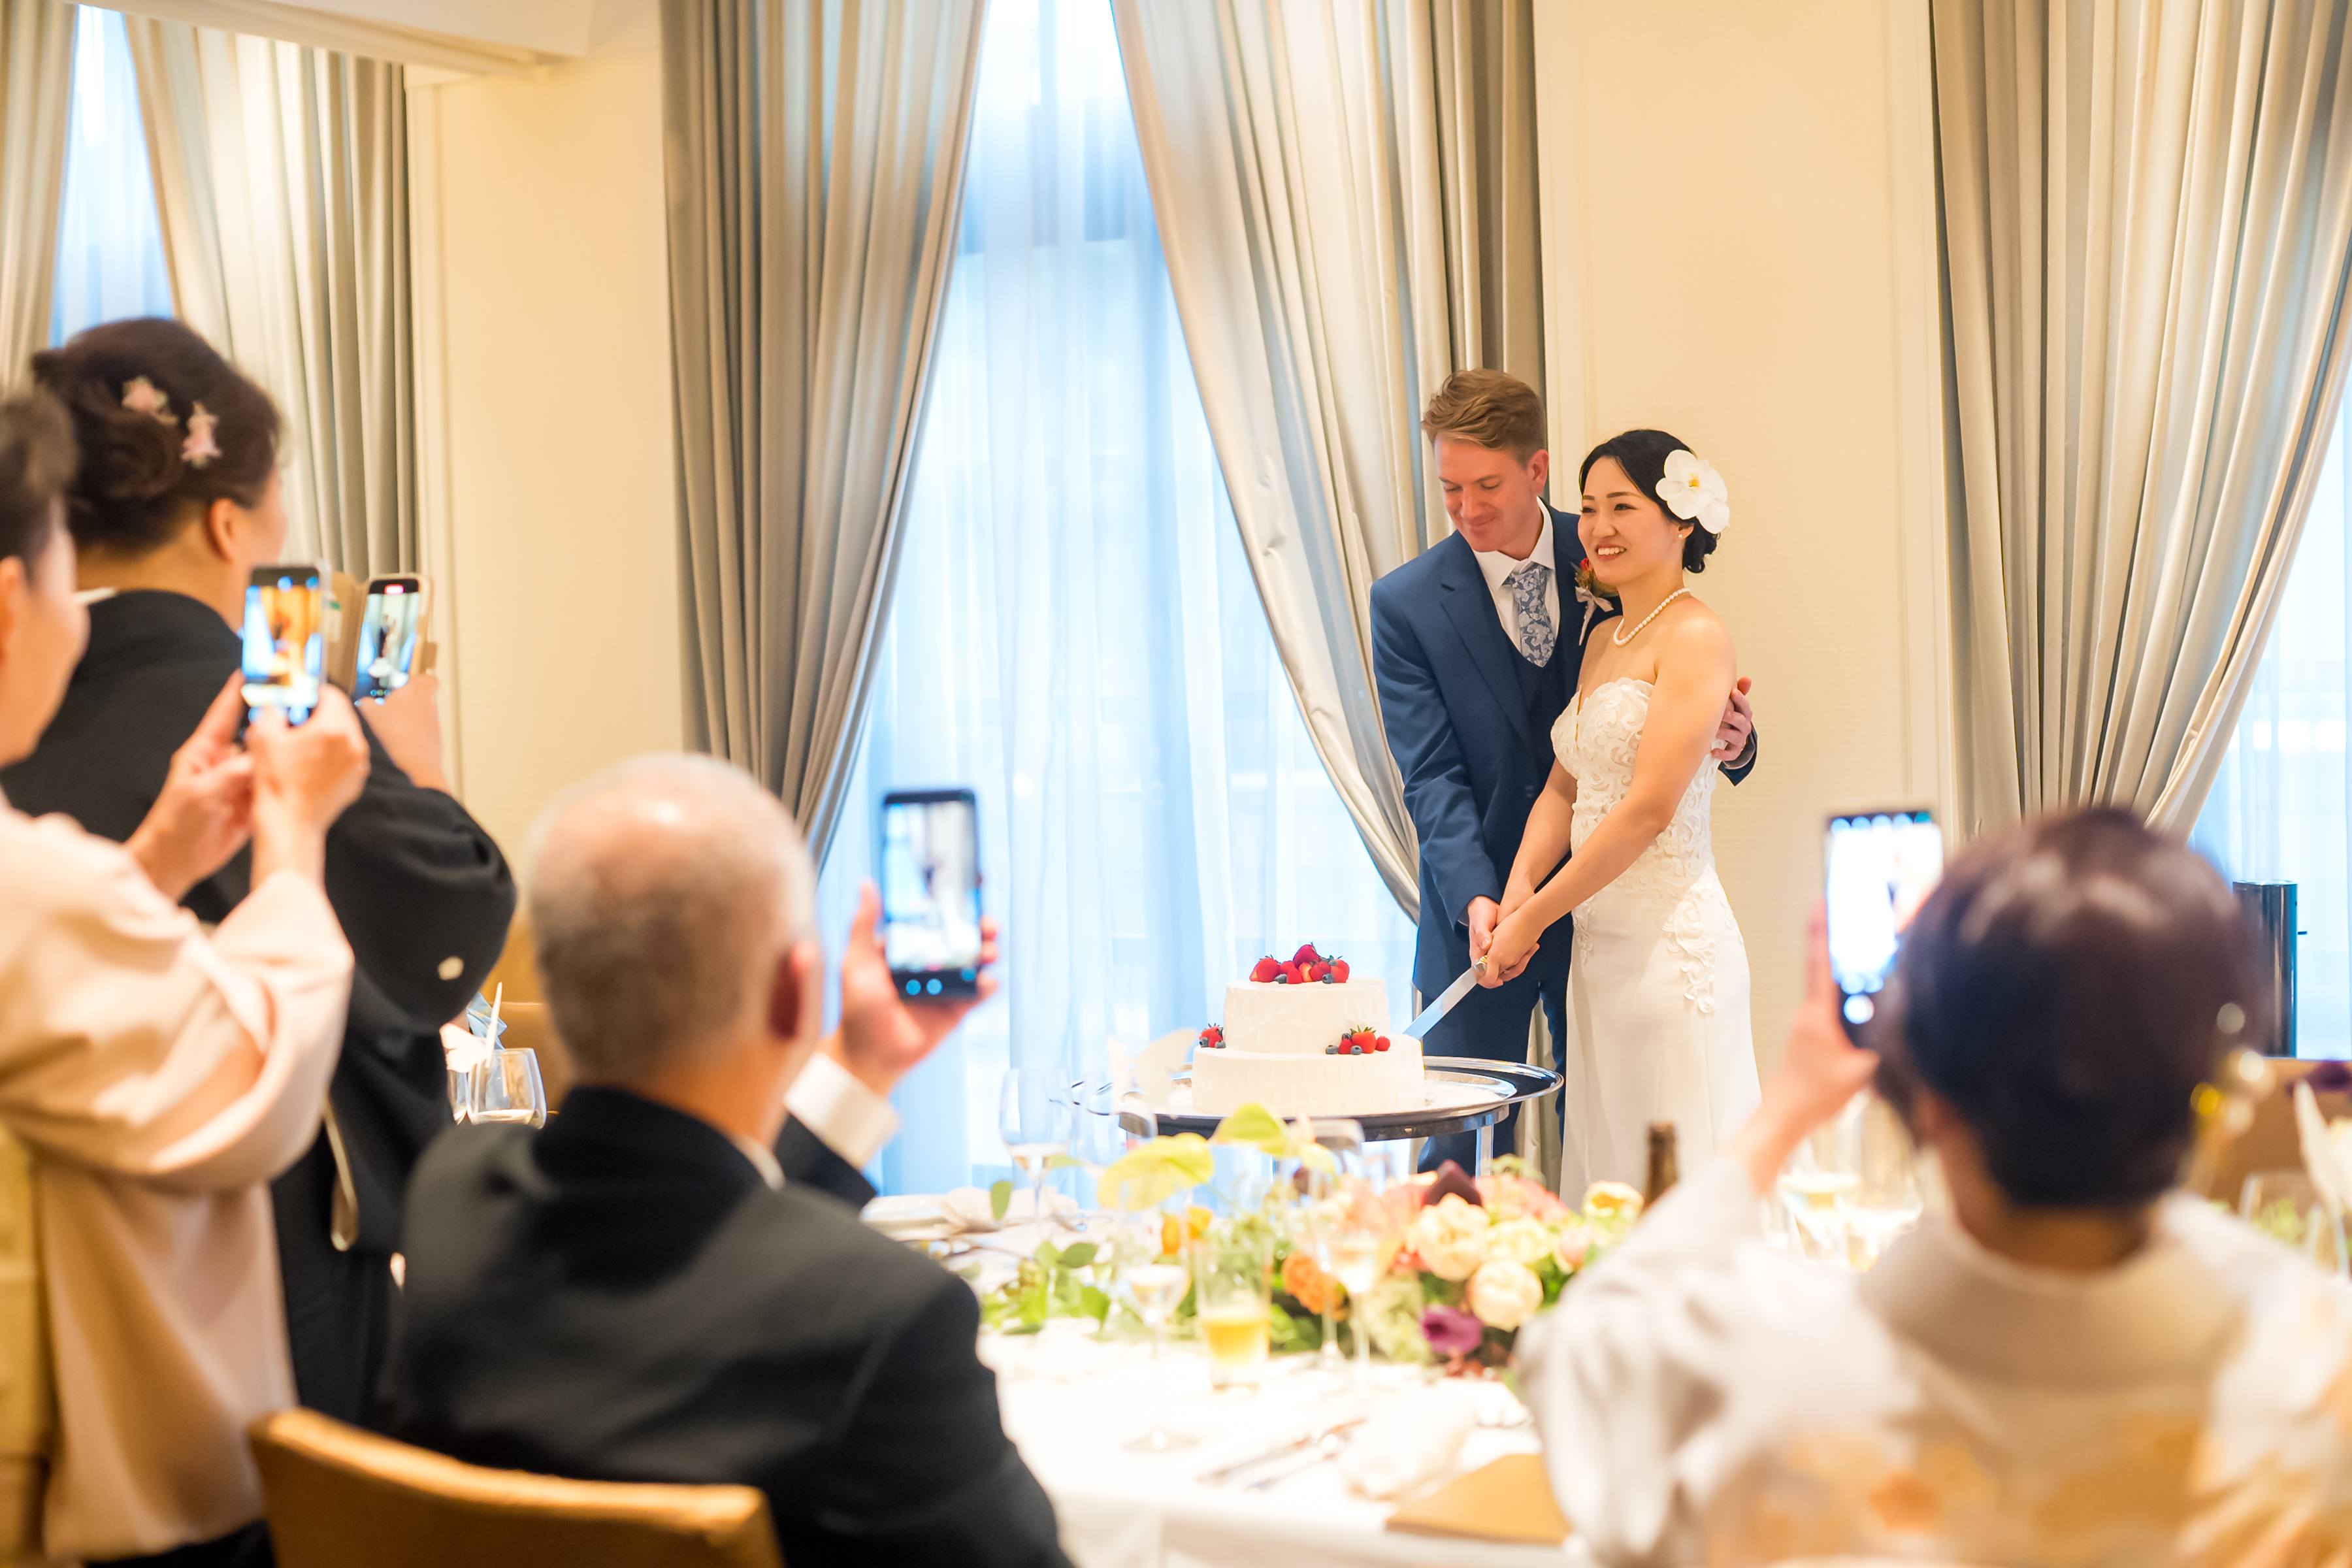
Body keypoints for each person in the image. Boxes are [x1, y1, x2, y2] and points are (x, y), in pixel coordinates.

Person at [1518, 810, 2352, 1566]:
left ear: (1924, 1101)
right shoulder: (2320, 1379)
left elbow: (1577, 1351)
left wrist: (1782, 1118)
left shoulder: (1755, 1377)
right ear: (2221, 1104)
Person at [1, 318, 516, 1427]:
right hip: (253, 1257)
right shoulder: (268, 717)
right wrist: (412, 778)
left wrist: (160, 863)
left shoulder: (33, 748)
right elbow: (448, 917)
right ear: (231, 522)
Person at [382, 755, 1068, 1568]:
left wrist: (862, 1060)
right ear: (796, 993)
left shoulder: (452, 1198)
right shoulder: (890, 1321)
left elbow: (707, 1246)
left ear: (556, 989)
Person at [0, 389, 374, 1565]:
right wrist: (294, 833)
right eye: (71, 573)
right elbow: (256, 1083)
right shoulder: (33, 880)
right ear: (10, 608)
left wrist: (156, 859)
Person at [1369, 372, 1757, 1171]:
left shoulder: (1617, 546)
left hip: (1624, 913)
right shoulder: (1404, 603)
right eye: (1450, 491)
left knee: (1635, 1142)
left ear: (1535, 471)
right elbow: (1433, 775)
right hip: (1486, 905)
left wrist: (1741, 739)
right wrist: (1495, 900)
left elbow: (1677, 717)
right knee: (1461, 1152)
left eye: (1488, 486)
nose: (1469, 510)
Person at [1478, 428, 1762, 1190]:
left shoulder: (1699, 633)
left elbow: (1646, 811)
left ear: (1681, 522)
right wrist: (1517, 894)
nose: (1598, 528)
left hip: (1671, 949)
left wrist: (1532, 920)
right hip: (1600, 954)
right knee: (1612, 1177)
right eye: (1590, 507)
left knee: (1675, 1178)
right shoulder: (1605, 635)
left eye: (1622, 507)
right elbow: (1564, 785)